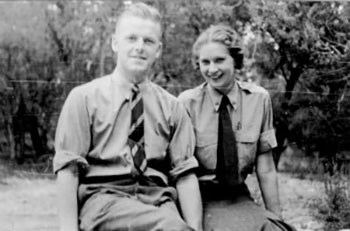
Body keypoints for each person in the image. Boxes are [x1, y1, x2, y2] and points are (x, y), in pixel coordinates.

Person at [53, 3, 203, 231]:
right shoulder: (84, 98)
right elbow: (68, 170)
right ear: (115, 43)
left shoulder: (172, 107)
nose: (140, 47)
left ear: (159, 50)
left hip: (157, 199)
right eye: (131, 38)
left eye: (148, 41)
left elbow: (185, 176)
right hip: (105, 199)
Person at [178, 24, 295, 231]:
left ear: (235, 60)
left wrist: (277, 219)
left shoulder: (259, 100)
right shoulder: (187, 103)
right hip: (198, 199)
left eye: (219, 60)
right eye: (205, 62)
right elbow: (183, 174)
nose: (212, 69)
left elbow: (265, 167)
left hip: (238, 197)